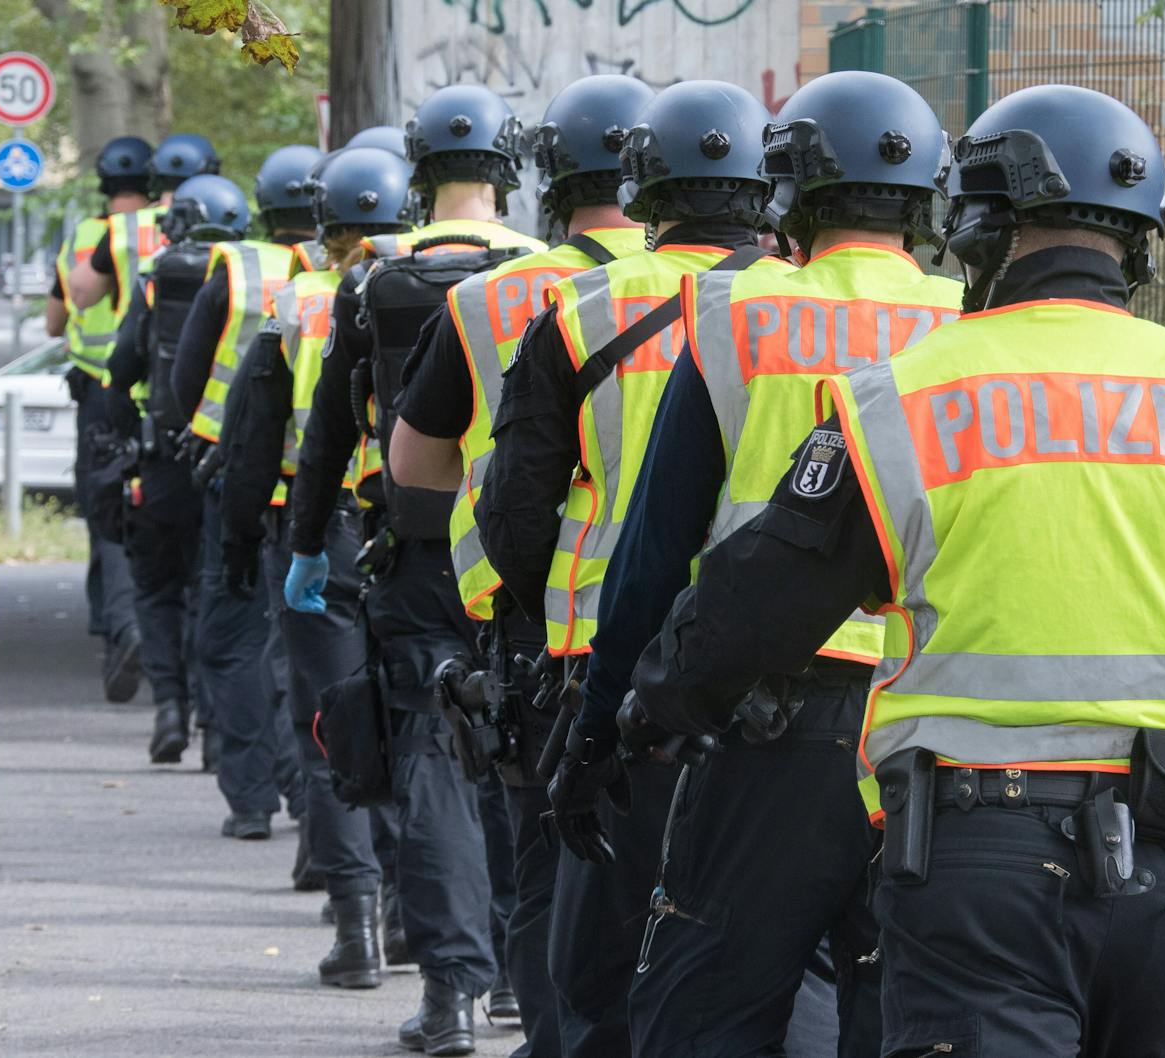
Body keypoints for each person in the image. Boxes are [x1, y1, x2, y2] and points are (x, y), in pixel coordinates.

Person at [612, 84, 1165, 1058]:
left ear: (976, 227)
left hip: (974, 876)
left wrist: (645, 712)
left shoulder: (899, 399)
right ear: (1142, 241)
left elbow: (752, 608)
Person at [566, 71, 964, 1058]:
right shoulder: (970, 323)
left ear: (784, 191)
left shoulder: (735, 313)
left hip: (767, 725)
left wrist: (599, 728)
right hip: (937, 729)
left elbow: (655, 551)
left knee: (706, 1008)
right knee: (902, 1013)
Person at [474, 79, 774, 1058]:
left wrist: (533, 611)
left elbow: (516, 506)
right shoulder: (817, 312)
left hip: (605, 658)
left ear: (643, 189)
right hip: (812, 673)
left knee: (586, 937)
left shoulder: (577, 308)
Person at [383, 74, 657, 1058]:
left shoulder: (494, 299)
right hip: (727, 628)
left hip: (547, 626)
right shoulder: (752, 295)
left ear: (549, 173)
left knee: (552, 871)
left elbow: (411, 466)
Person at [280, 84, 544, 1057]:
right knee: (517, 757)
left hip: (414, 556)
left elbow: (328, 432)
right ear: (509, 166)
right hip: (523, 559)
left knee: (433, 768)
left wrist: (308, 546)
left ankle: (452, 996)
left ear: (415, 170)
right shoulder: (553, 275)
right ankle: (526, 977)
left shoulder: (373, 279)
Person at [220, 145, 409, 989]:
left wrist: (236, 541)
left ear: (323, 225)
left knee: (330, 727)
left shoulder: (294, 302)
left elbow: (254, 437)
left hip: (316, 529)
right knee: (417, 722)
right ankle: (417, 911)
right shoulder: (438, 290)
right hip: (412, 529)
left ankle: (355, 925)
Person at [167, 144, 324, 839]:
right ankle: (311, 796)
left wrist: (207, 435)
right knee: (309, 650)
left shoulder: (237, 268)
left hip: (238, 486)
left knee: (232, 642)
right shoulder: (352, 266)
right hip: (330, 491)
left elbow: (184, 380)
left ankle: (252, 801)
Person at [104, 172, 250, 771]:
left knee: (156, 589)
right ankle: (217, 729)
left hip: (162, 462)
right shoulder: (249, 281)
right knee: (210, 593)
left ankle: (168, 709)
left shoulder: (155, 279)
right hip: (222, 465)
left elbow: (120, 367)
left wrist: (124, 433)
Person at [47, 134, 151, 704]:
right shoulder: (183, 224)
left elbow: (59, 316)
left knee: (108, 513)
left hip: (103, 393)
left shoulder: (91, 236)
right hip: (173, 396)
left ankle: (120, 628)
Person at [68, 132, 220, 314]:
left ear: (153, 176)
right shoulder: (222, 229)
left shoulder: (124, 228)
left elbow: (80, 296)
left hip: (135, 340)